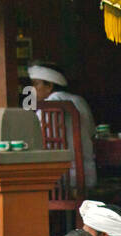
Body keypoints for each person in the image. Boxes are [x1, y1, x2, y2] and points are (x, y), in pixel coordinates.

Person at [29, 61, 97, 192]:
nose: (33, 89)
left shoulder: (46, 107)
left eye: (36, 84)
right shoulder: (80, 101)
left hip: (55, 179)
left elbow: (34, 141)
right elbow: (91, 132)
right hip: (86, 175)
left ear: (49, 86)